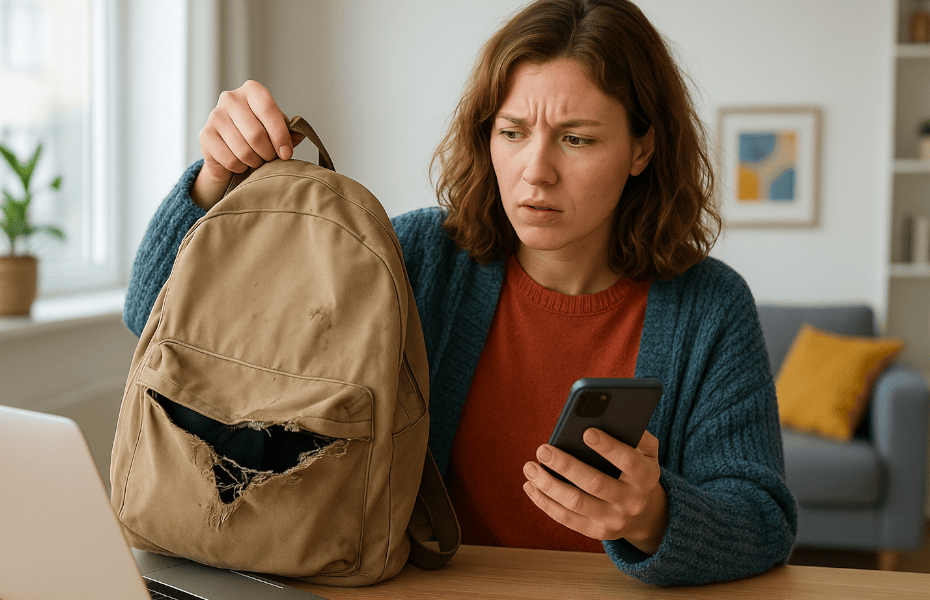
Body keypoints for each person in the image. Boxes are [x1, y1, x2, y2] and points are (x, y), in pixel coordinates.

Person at [123, 0, 797, 587]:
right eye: (513, 132)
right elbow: (151, 315)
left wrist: (654, 517)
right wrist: (213, 182)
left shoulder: (710, 307)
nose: (536, 171)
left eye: (576, 139)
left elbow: (764, 520)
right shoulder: (416, 258)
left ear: (642, 149)